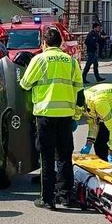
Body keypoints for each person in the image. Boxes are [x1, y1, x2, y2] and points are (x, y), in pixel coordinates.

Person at [20, 28, 83, 209]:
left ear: (44, 43)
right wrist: (76, 116)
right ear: (61, 43)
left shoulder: (39, 59)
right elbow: (79, 90)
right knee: (64, 156)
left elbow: (25, 84)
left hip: (45, 115)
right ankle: (66, 196)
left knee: (47, 157)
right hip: (65, 115)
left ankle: (47, 199)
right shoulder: (71, 62)